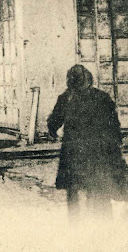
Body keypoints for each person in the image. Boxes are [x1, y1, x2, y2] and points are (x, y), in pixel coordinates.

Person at [48, 64, 128, 221]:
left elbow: (54, 122)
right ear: (89, 80)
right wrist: (117, 143)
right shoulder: (102, 97)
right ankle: (103, 225)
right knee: (100, 188)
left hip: (74, 154)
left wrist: (52, 132)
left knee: (74, 191)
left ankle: (77, 227)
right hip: (99, 153)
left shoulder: (66, 98)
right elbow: (114, 125)